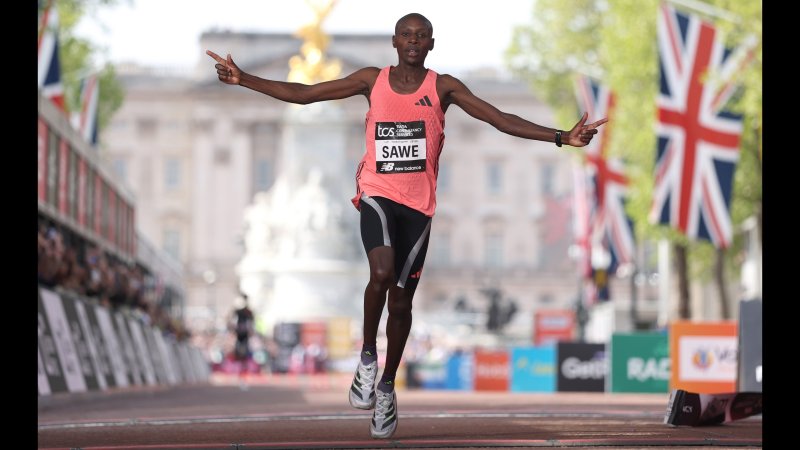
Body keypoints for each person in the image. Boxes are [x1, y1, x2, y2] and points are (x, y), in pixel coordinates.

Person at [207, 12, 607, 439]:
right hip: (377, 195)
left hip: (418, 208)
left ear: (431, 44)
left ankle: (386, 386)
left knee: (401, 304)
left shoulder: (444, 87)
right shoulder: (369, 80)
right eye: (406, 36)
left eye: (421, 37)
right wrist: (244, 78)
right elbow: (305, 94)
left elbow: (498, 118)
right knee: (380, 273)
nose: (413, 42)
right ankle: (365, 358)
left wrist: (562, 137)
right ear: (394, 42)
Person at [229, 293, 255, 388]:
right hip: (239, 337)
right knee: (239, 357)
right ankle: (239, 377)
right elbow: (232, 322)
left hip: (245, 338)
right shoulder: (237, 311)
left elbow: (251, 324)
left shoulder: (249, 312)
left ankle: (243, 378)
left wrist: (249, 331)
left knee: (244, 358)